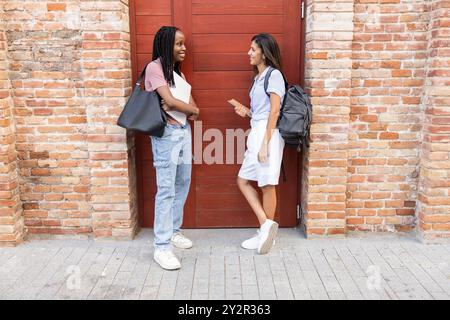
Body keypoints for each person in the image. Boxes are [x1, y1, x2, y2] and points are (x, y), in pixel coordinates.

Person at [145, 26, 200, 270]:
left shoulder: (178, 75)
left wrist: (186, 108)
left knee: (182, 182)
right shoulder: (154, 68)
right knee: (166, 189)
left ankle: (174, 231)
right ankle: (161, 247)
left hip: (183, 131)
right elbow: (168, 101)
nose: (183, 48)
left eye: (184, 43)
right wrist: (184, 107)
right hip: (166, 135)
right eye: (178, 44)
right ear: (166, 44)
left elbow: (193, 109)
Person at [233, 33, 286, 254]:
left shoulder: (274, 76)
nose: (249, 53)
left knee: (266, 184)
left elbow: (275, 111)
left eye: (253, 49)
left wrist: (266, 143)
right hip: (257, 130)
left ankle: (266, 235)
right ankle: (266, 227)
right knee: (243, 180)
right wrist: (247, 112)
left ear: (264, 52)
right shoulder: (258, 78)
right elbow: (262, 111)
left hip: (268, 134)